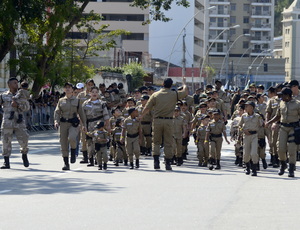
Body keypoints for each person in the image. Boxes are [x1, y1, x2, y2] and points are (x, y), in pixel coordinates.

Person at [141, 77, 188, 170]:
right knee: (168, 142)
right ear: (171, 85)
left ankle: (156, 162)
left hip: (157, 120)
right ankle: (167, 163)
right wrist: (184, 83)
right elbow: (185, 92)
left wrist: (140, 117)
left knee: (156, 141)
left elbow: (147, 108)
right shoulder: (174, 94)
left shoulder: (155, 95)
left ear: (162, 84)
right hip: (169, 121)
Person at [266, 87, 300, 178]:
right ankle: (283, 164)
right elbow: (278, 115)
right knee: (280, 148)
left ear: (288, 96)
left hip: (293, 128)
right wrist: (269, 122)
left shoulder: (297, 104)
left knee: (292, 149)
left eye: (283, 95)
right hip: (283, 127)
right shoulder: (281, 103)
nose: (281, 97)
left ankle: (291, 168)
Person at [54, 82, 86, 170]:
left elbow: (81, 113)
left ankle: (73, 150)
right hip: (63, 123)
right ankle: (66, 163)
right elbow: (57, 112)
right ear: (64, 89)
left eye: (69, 87)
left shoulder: (77, 100)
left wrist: (84, 124)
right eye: (66, 87)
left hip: (73, 123)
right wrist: (56, 121)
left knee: (72, 138)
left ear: (72, 90)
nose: (67, 89)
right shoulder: (61, 101)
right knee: (63, 143)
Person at [0, 78, 30, 169]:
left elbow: (27, 108)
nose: (17, 85)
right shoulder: (3, 95)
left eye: (17, 83)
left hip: (19, 122)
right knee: (6, 142)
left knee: (24, 139)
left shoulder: (22, 95)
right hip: (7, 122)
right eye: (14, 83)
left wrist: (18, 105)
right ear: (9, 84)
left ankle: (24, 154)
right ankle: (6, 162)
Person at [82, 86, 110, 167]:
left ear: (98, 93)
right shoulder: (85, 103)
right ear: (89, 93)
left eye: (96, 92)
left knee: (98, 142)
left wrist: (107, 125)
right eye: (92, 92)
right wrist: (83, 126)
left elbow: (106, 115)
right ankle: (91, 160)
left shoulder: (102, 103)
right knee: (89, 143)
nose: (94, 94)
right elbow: (82, 116)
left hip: (99, 125)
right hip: (89, 125)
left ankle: (98, 159)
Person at [238, 101, 263, 176]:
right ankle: (247, 167)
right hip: (246, 136)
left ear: (252, 107)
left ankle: (254, 169)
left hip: (254, 135)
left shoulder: (257, 116)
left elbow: (261, 125)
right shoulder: (243, 116)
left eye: (247, 106)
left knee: (254, 153)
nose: (245, 108)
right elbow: (239, 126)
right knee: (246, 154)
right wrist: (243, 130)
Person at [77, 79, 95, 163]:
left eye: (91, 84)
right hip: (83, 119)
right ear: (86, 85)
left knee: (94, 138)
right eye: (88, 84)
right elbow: (76, 106)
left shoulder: (96, 95)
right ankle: (85, 157)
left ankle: (94, 156)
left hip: (94, 119)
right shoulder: (80, 95)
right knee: (83, 138)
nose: (90, 86)